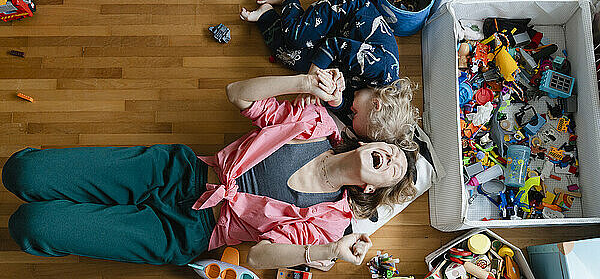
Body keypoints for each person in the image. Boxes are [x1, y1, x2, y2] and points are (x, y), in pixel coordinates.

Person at [2, 71, 418, 269]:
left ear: (372, 187)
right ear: (369, 142)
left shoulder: (331, 222)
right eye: (394, 152)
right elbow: (236, 93)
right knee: (22, 172)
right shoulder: (315, 126)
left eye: (394, 171)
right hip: (177, 172)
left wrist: (322, 252)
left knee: (32, 225)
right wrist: (303, 84)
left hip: (190, 230)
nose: (393, 160)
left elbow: (259, 255)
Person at [240, 0, 418, 145]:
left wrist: (337, 101)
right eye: (355, 113)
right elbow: (333, 45)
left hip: (343, 52)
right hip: (344, 13)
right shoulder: (380, 66)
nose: (351, 112)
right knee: (296, 37)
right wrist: (309, 83)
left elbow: (346, 107)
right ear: (376, 104)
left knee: (291, 57)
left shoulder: (371, 102)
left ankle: (266, 15)